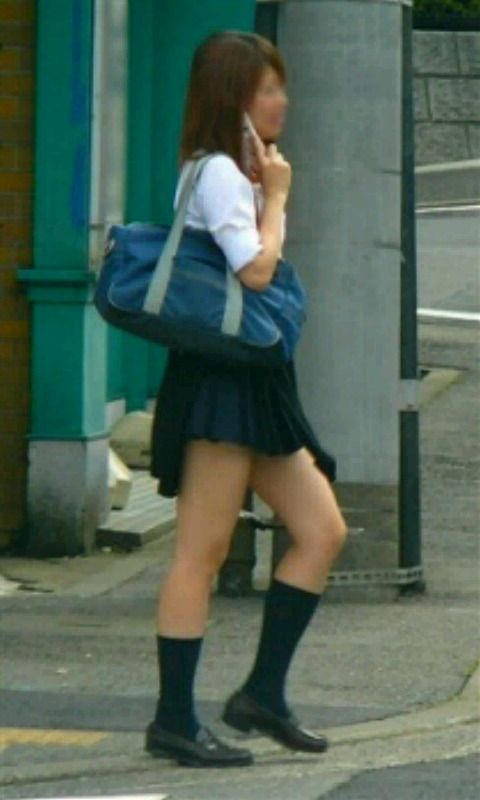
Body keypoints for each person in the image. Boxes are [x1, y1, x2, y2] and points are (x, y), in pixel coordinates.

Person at [146, 30, 348, 768]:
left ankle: (262, 694)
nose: (282, 100)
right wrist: (278, 197)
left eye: (280, 87)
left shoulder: (238, 171)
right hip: (220, 381)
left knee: (321, 529)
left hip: (253, 379)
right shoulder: (217, 175)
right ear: (234, 97)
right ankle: (174, 720)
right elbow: (255, 271)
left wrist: (271, 191)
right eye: (268, 89)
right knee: (201, 553)